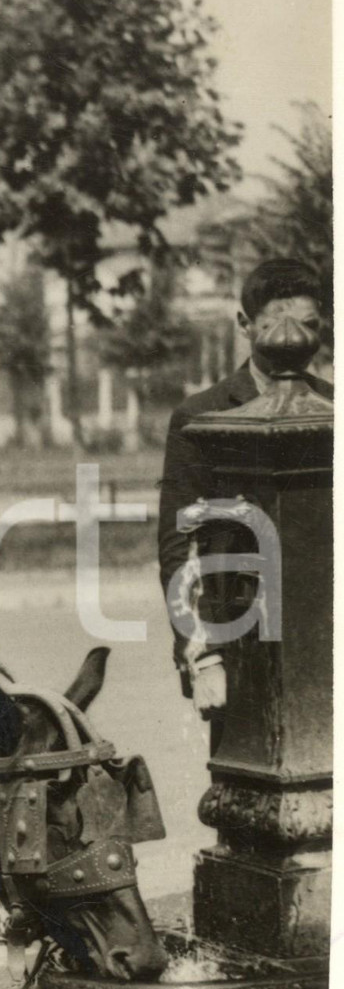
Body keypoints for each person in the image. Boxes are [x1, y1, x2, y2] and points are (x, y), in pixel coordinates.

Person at [157, 257, 332, 724]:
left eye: (308, 324)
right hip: (239, 644)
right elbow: (180, 543)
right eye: (275, 323)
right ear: (244, 324)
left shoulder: (332, 408)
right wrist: (203, 655)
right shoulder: (201, 415)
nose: (292, 337)